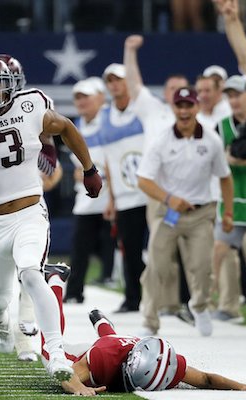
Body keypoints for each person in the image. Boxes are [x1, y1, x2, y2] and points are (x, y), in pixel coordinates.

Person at [0, 55, 102, 380]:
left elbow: (67, 127)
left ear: (11, 84)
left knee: (31, 273)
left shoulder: (31, 105)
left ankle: (56, 353)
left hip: (29, 212)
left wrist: (89, 168)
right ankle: (1, 327)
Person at [39, 263, 246, 395]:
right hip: (100, 351)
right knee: (50, 352)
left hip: (115, 343)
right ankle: (56, 281)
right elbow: (66, 375)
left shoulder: (163, 362)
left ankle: (101, 321)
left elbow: (206, 379)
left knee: (111, 338)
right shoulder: (104, 358)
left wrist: (241, 386)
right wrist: (79, 388)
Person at [136, 87, 234, 336]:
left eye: (188, 105)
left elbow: (225, 177)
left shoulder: (211, 139)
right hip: (169, 212)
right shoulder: (162, 140)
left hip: (201, 213)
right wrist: (169, 198)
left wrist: (228, 212)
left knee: (202, 266)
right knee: (157, 266)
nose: (184, 111)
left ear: (197, 108)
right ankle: (149, 320)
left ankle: (199, 306)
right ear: (173, 109)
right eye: (179, 106)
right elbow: (144, 180)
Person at [123, 34, 191, 318]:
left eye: (181, 89)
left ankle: (192, 302)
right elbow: (133, 84)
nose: (176, 93)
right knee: (160, 249)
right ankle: (166, 303)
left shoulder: (196, 119)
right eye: (172, 88)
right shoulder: (155, 111)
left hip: (189, 192)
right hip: (158, 192)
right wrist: (129, 51)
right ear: (165, 93)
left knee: (190, 252)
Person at [212, 75, 246, 324]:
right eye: (230, 95)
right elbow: (217, 159)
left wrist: (245, 160)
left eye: (238, 94)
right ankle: (228, 306)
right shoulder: (221, 126)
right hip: (232, 202)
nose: (233, 100)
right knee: (222, 253)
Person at [99, 63, 148, 313]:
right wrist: (111, 198)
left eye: (118, 79)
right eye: (110, 81)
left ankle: (174, 298)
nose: (114, 85)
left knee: (164, 250)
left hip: (152, 193)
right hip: (126, 197)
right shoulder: (105, 116)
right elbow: (108, 160)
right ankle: (133, 298)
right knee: (130, 252)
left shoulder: (144, 111)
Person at [65, 78, 115, 304]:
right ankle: (75, 291)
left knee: (117, 243)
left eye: (86, 96)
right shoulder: (75, 125)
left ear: (101, 97)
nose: (81, 101)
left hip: (112, 195)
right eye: (78, 97)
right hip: (86, 197)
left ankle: (117, 283)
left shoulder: (110, 120)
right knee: (80, 246)